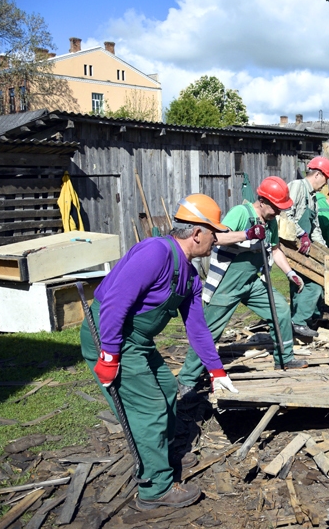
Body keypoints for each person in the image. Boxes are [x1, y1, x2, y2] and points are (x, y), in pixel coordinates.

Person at [80, 194, 240, 511]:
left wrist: (217, 370)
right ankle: (155, 488)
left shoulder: (191, 276)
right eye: (214, 233)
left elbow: (197, 328)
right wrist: (109, 357)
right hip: (110, 335)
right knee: (148, 407)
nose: (217, 241)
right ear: (197, 233)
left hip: (137, 340)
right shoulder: (154, 253)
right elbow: (114, 305)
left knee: (168, 388)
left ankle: (162, 456)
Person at [178, 177, 308, 396]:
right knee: (211, 330)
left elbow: (275, 249)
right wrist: (247, 234)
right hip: (228, 280)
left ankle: (284, 359)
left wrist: (290, 273)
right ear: (262, 201)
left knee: (281, 309)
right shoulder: (240, 212)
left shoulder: (271, 222)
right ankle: (188, 378)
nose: (278, 212)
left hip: (252, 280)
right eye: (276, 207)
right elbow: (216, 237)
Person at [285, 157, 329, 337]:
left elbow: (315, 228)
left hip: (304, 246)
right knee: (314, 283)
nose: (326, 183)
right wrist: (300, 233)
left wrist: (323, 251)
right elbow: (285, 215)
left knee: (299, 283)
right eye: (326, 178)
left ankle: (295, 322)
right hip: (291, 245)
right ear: (318, 175)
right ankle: (299, 322)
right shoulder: (297, 187)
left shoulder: (313, 197)